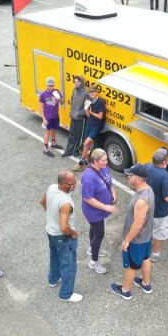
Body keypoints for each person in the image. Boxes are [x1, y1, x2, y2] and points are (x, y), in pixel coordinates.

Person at [111, 164, 155, 300]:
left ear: (138, 179)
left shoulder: (141, 201)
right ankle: (146, 283)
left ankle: (125, 291)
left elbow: (137, 224)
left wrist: (127, 240)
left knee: (131, 266)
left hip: (137, 240)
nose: (127, 177)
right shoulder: (148, 189)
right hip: (147, 236)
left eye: (130, 175)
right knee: (145, 258)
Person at [40, 171, 83, 302]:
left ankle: (53, 279)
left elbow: (42, 202)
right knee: (68, 265)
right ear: (63, 184)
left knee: (54, 256)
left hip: (51, 232)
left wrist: (52, 216)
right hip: (62, 237)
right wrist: (74, 233)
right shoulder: (65, 203)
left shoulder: (52, 187)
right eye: (72, 183)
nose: (74, 185)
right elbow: (64, 228)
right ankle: (66, 294)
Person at [81, 148, 118, 274]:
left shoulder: (102, 168)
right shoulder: (88, 177)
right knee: (99, 234)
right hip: (94, 212)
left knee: (95, 230)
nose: (106, 162)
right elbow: (88, 198)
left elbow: (109, 182)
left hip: (101, 209)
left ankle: (92, 249)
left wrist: (113, 192)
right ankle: (93, 262)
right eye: (104, 161)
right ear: (95, 161)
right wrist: (106, 207)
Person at [146, 148, 168, 262]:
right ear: (164, 162)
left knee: (148, 229)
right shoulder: (165, 176)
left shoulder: (147, 167)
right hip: (160, 211)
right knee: (159, 233)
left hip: (147, 207)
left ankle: (146, 248)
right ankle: (155, 254)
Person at [74, 86, 106, 171]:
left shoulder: (100, 102)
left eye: (93, 92)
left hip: (97, 126)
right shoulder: (89, 101)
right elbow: (88, 115)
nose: (91, 93)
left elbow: (100, 116)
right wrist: (86, 109)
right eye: (90, 92)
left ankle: (82, 162)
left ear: (96, 92)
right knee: (86, 143)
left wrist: (91, 112)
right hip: (89, 124)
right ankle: (87, 162)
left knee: (86, 143)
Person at [61, 76, 87, 159]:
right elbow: (72, 100)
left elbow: (87, 107)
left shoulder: (86, 93)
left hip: (81, 118)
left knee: (79, 136)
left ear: (82, 82)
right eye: (75, 82)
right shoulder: (74, 90)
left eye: (78, 82)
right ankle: (68, 151)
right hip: (73, 116)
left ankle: (76, 151)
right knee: (72, 134)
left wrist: (80, 114)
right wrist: (72, 111)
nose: (76, 84)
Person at [39, 76, 63, 158]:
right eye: (49, 85)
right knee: (47, 131)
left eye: (52, 85)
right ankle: (45, 149)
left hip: (55, 115)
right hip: (48, 117)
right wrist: (44, 118)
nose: (50, 87)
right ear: (46, 85)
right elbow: (41, 107)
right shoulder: (43, 94)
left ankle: (53, 143)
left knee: (54, 129)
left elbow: (62, 102)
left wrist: (59, 97)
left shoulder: (56, 91)